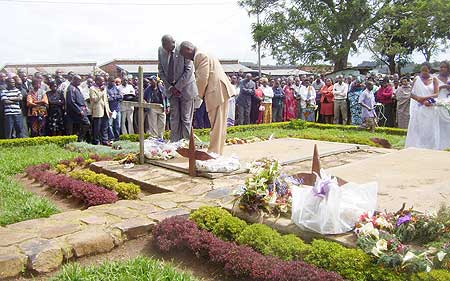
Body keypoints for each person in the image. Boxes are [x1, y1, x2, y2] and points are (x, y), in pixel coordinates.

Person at [179, 41, 235, 155]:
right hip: (219, 90)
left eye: (185, 55)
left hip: (216, 91)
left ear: (188, 50)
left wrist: (198, 97)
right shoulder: (205, 52)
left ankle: (214, 153)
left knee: (217, 124)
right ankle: (217, 151)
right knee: (219, 125)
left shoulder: (199, 55)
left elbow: (202, 78)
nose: (186, 59)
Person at [158, 35, 198, 142]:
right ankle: (175, 144)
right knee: (174, 119)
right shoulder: (161, 50)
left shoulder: (183, 49)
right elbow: (161, 71)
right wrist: (170, 87)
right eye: (164, 47)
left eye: (168, 47)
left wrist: (178, 87)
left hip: (186, 89)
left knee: (186, 118)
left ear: (173, 43)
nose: (166, 49)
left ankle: (188, 144)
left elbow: (189, 70)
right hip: (171, 90)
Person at [405, 62, 440, 149]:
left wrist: (425, 98)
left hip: (430, 107)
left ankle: (430, 148)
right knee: (418, 129)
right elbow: (411, 94)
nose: (424, 72)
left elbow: (436, 94)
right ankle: (417, 147)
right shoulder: (417, 79)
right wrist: (418, 99)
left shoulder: (434, 79)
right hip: (419, 108)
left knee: (429, 129)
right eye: (422, 70)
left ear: (429, 70)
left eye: (426, 70)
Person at [66, 75, 90, 141]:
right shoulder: (71, 88)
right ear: (74, 80)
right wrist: (79, 111)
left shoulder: (76, 88)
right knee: (86, 123)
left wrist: (85, 107)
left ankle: (79, 139)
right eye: (79, 80)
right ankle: (80, 139)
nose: (80, 82)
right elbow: (71, 101)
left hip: (82, 109)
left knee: (79, 126)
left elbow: (81, 99)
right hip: (76, 111)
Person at [90, 76, 111, 145]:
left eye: (104, 81)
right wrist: (101, 92)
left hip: (105, 110)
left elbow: (106, 100)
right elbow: (95, 99)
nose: (103, 82)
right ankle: (96, 141)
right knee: (97, 127)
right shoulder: (92, 89)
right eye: (102, 81)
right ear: (97, 81)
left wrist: (108, 110)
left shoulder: (104, 88)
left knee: (105, 127)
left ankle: (104, 141)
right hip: (98, 110)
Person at [435, 61, 450, 150]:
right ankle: (440, 144)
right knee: (440, 124)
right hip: (439, 101)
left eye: (444, 67)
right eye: (441, 67)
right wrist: (442, 87)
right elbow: (432, 91)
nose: (442, 69)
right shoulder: (435, 79)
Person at [106, 77, 122, 141]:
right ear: (108, 81)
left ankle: (117, 138)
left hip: (117, 109)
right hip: (110, 110)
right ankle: (111, 138)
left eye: (113, 81)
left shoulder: (116, 88)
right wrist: (115, 97)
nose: (113, 83)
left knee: (117, 125)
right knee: (110, 125)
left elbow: (121, 96)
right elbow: (108, 99)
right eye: (111, 81)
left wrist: (113, 96)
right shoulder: (106, 89)